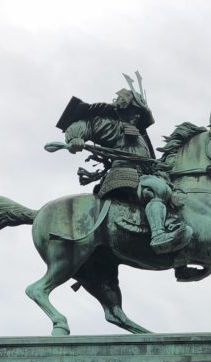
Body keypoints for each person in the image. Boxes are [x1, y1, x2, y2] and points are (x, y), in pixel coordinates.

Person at [54, 72, 192, 255]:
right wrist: (75, 139)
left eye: (139, 114)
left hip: (144, 175)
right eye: (134, 112)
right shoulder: (114, 126)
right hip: (124, 175)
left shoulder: (141, 136)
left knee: (177, 199)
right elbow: (85, 125)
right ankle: (158, 235)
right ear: (124, 110)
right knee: (156, 190)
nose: (137, 116)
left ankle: (180, 254)